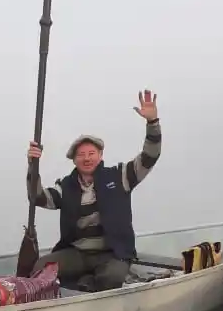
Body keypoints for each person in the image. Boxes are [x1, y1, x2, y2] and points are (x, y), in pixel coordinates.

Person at [26, 89, 161, 291]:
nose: (87, 158)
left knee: (111, 278)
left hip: (113, 253)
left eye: (91, 153)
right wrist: (32, 166)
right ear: (74, 159)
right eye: (81, 154)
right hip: (77, 253)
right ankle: (82, 282)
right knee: (40, 268)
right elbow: (37, 198)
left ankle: (91, 284)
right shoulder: (66, 186)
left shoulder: (120, 176)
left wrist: (152, 122)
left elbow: (150, 156)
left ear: (100, 155)